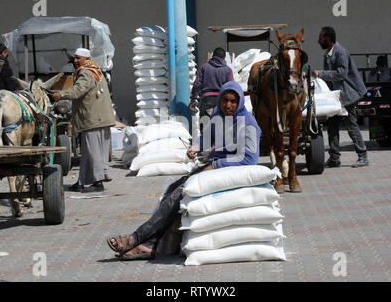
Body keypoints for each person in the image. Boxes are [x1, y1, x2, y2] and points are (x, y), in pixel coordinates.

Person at [106, 81, 261, 261]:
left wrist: (215, 166)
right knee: (172, 189)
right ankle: (150, 245)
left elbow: (249, 158)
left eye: (233, 101)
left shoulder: (248, 124)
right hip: (214, 166)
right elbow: (207, 138)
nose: (228, 105)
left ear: (240, 102)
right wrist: (195, 147)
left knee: (181, 193)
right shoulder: (219, 117)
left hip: (231, 171)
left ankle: (136, 238)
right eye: (224, 100)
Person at [52, 48, 116, 192]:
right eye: (74, 58)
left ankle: (98, 182)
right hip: (98, 119)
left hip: (93, 119)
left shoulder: (86, 73)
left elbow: (77, 91)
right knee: (87, 152)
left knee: (94, 151)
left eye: (78, 58)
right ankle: (81, 182)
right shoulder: (95, 70)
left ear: (86, 59)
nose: (75, 61)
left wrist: (60, 95)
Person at [312, 26, 369, 168]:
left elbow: (341, 74)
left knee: (351, 126)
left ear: (328, 39)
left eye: (321, 38)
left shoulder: (340, 52)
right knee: (332, 127)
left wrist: (321, 74)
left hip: (348, 95)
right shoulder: (328, 53)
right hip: (336, 97)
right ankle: (334, 158)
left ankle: (363, 156)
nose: (318, 41)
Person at [190, 47, 234, 121]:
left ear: (213, 56)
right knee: (223, 129)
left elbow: (197, 84)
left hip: (207, 101)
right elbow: (232, 88)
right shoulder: (228, 70)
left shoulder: (204, 67)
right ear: (224, 57)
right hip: (223, 102)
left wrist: (193, 100)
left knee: (205, 128)